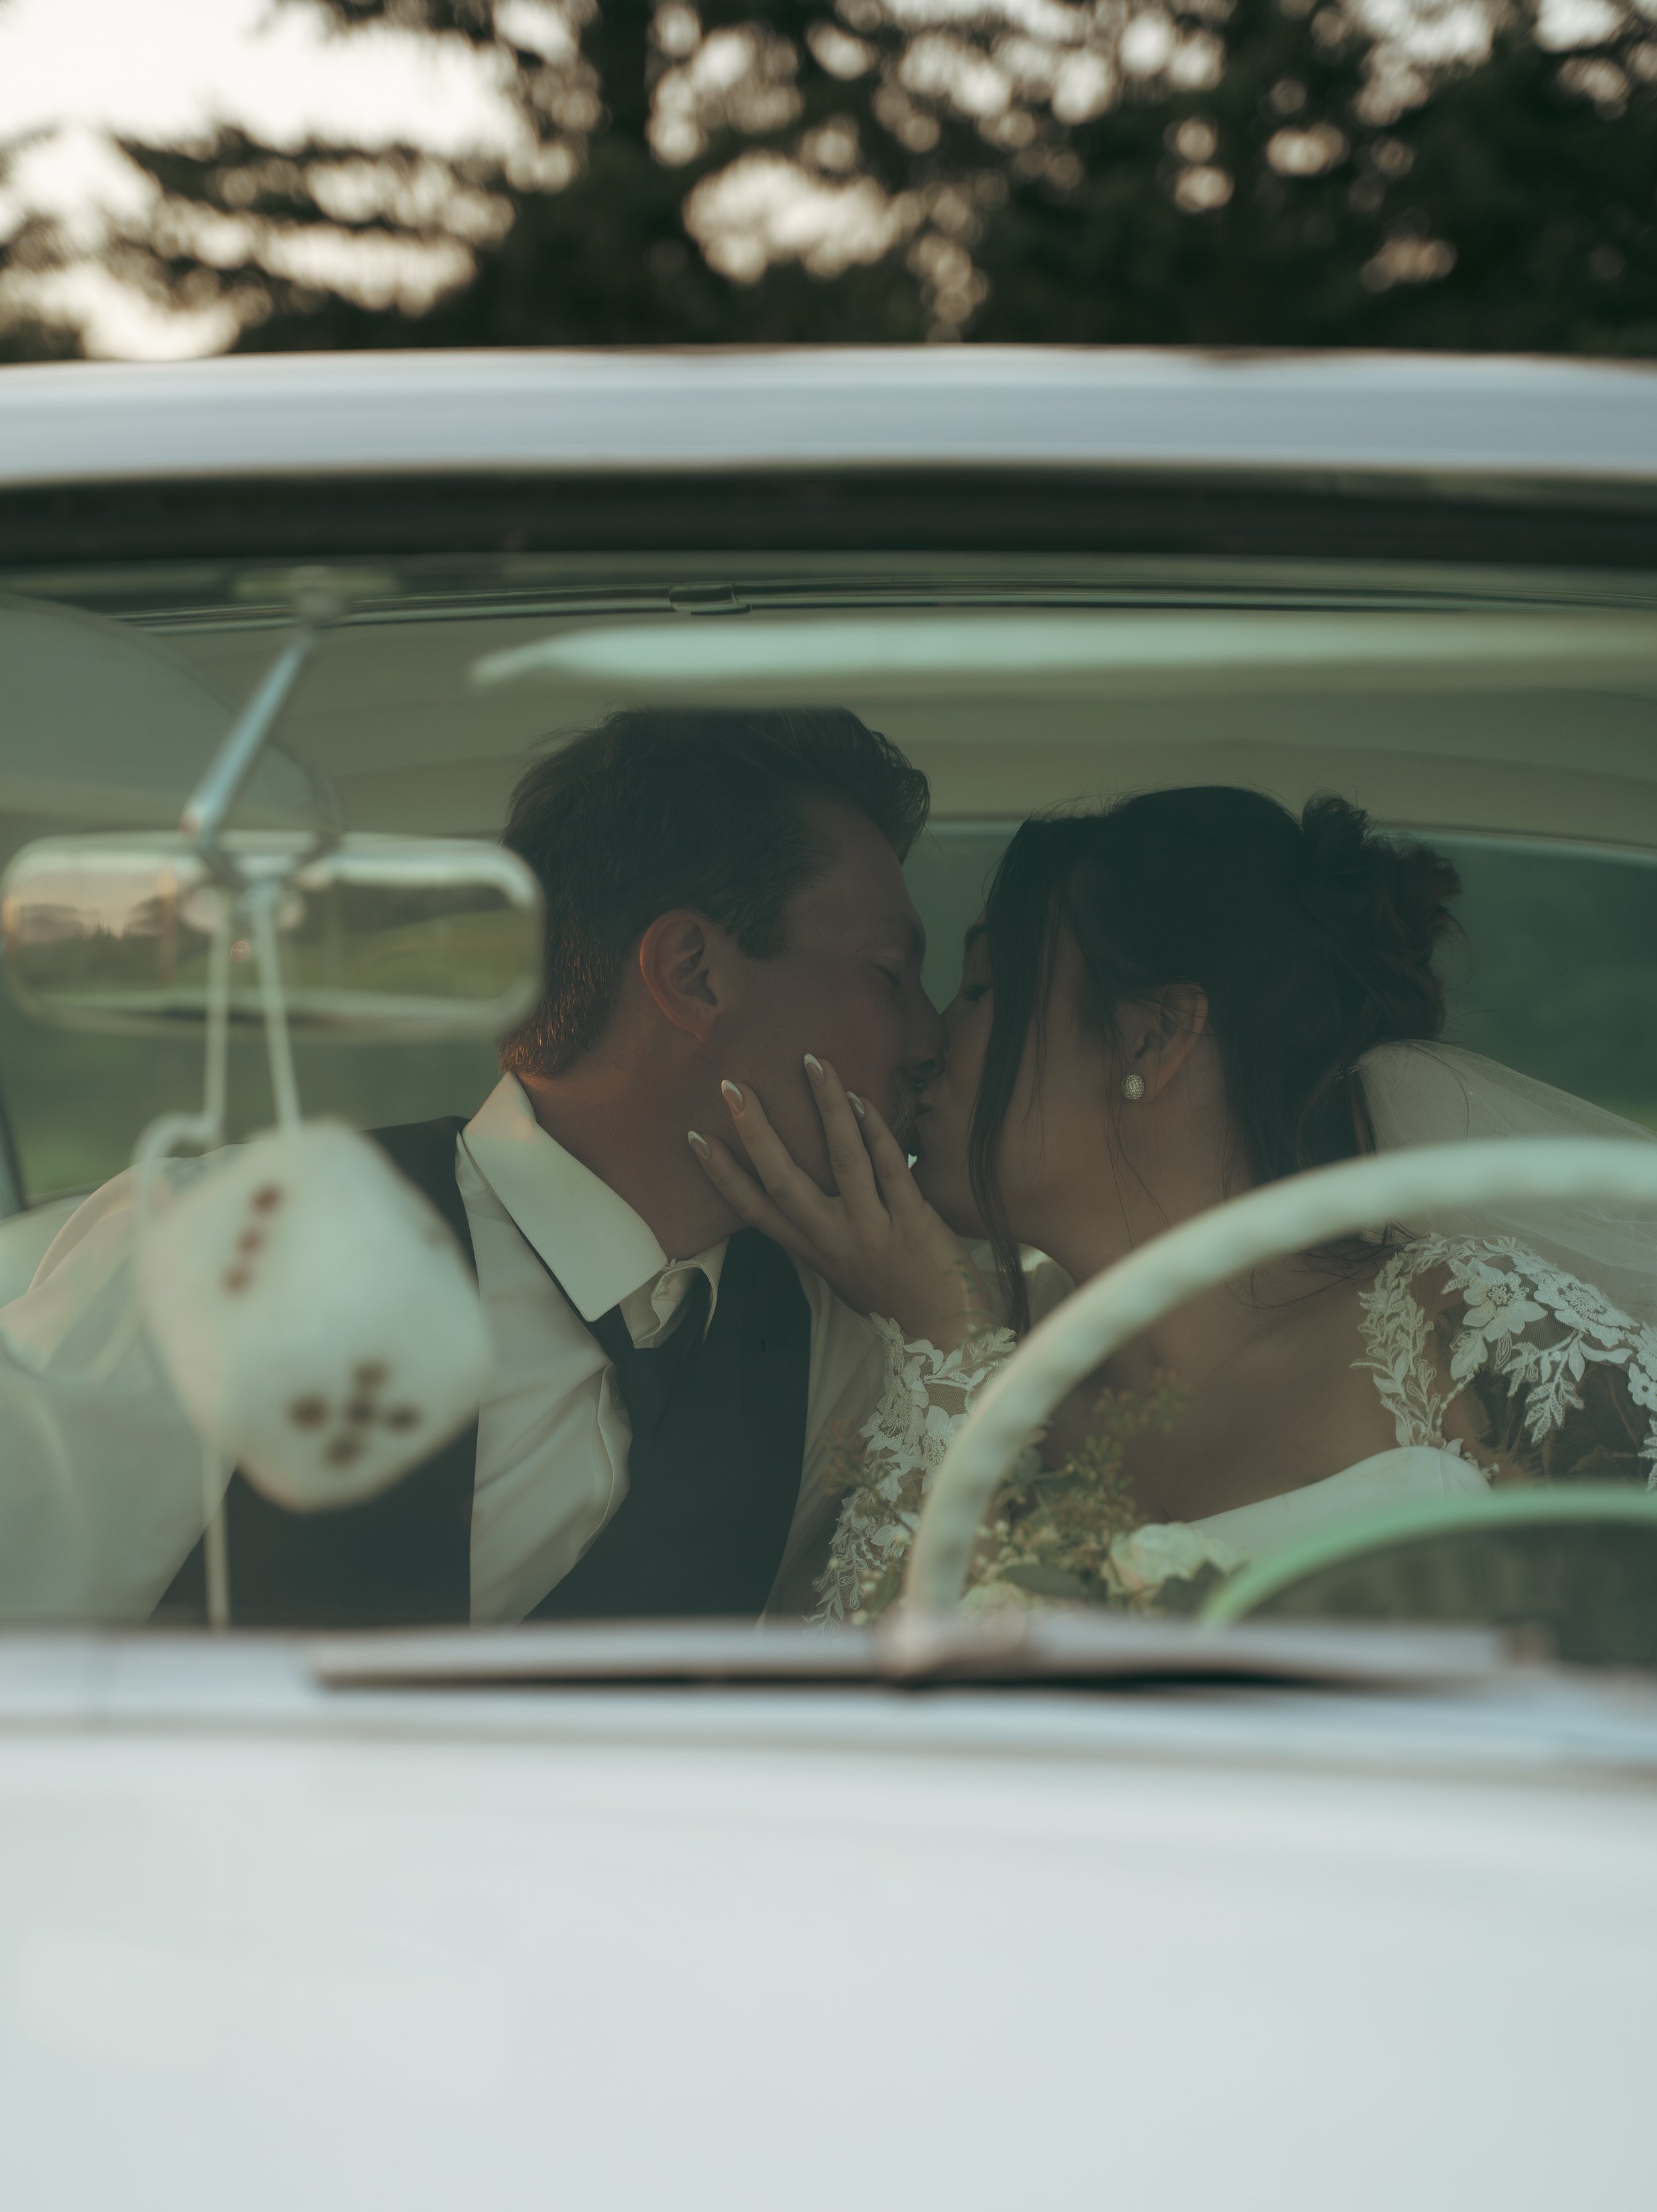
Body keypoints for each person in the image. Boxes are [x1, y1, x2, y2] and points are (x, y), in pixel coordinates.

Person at [0, 707, 960, 1628]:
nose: (933, 1036)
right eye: (888, 974)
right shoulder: (234, 1250)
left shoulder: (844, 1349)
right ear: (693, 974)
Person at [693, 787, 1657, 1622]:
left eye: (983, 988)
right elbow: (864, 1742)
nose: (935, 1038)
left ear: (1154, 1038)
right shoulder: (981, 1395)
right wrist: (943, 1338)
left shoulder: (1461, 1326)